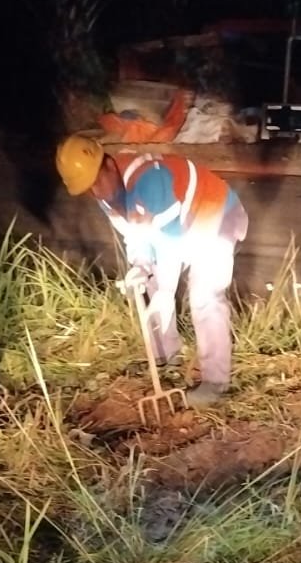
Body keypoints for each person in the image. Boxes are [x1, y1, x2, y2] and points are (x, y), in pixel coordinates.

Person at [55, 136, 248, 406]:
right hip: (177, 227)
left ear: (109, 165)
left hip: (214, 214)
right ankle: (167, 360)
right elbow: (137, 234)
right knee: (150, 284)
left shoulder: (148, 180)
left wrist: (167, 289)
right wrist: (140, 265)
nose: (96, 192)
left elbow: (170, 242)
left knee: (204, 295)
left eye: (97, 181)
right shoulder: (107, 195)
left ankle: (216, 383)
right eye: (88, 188)